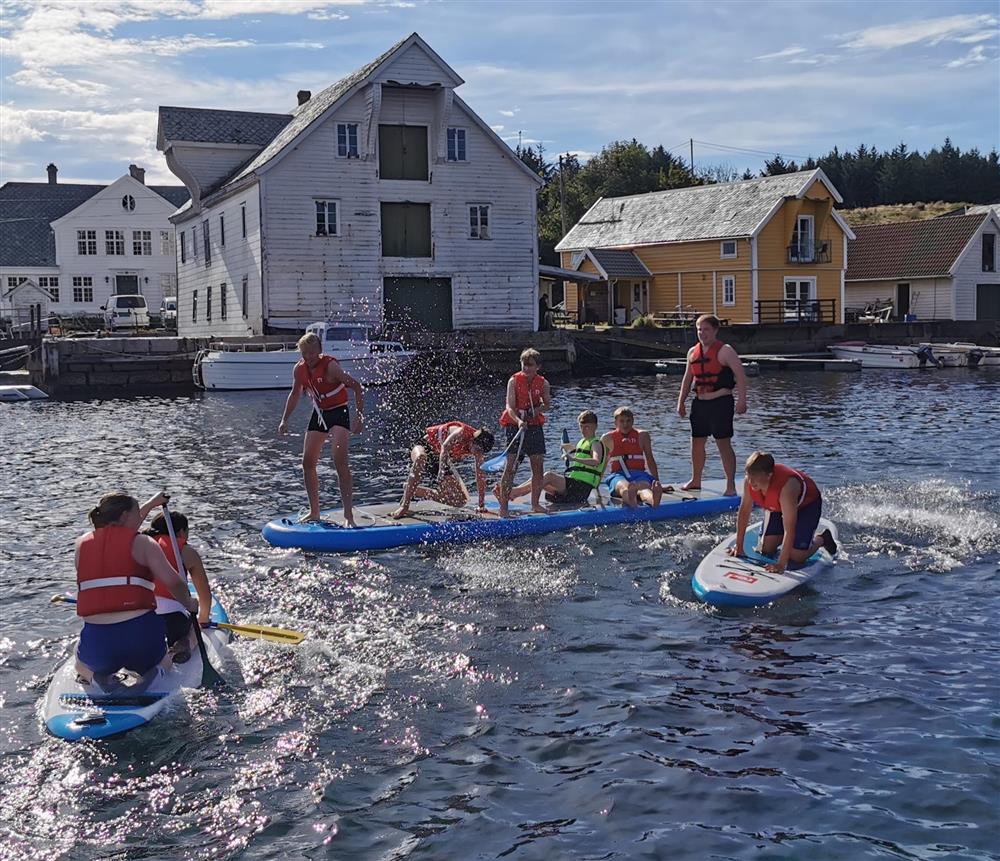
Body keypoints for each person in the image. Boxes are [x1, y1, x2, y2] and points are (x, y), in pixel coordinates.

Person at [75, 492, 198, 689]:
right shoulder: (144, 543)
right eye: (137, 513)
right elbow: (173, 583)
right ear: (125, 516)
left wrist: (152, 503)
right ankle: (153, 675)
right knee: (164, 661)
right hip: (139, 639)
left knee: (80, 664)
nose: (141, 519)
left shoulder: (81, 545)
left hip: (98, 643)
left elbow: (117, 542)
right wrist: (189, 603)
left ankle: (98, 678)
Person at [278, 332, 365, 526]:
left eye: (311, 353)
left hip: (338, 412)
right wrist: (284, 420)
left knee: (339, 462)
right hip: (320, 413)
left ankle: (348, 516)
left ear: (319, 351)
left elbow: (357, 387)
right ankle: (314, 511)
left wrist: (359, 417)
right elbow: (294, 395)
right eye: (304, 353)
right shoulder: (299, 370)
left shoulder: (331, 367)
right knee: (307, 462)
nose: (307, 357)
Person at [729, 452, 838, 573]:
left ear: (769, 475)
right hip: (778, 506)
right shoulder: (749, 482)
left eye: (754, 476)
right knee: (766, 548)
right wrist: (739, 546)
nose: (751, 481)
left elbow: (789, 528)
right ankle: (784, 540)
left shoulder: (787, 488)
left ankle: (822, 538)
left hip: (806, 506)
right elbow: (744, 511)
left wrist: (781, 563)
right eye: (749, 475)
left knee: (796, 556)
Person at [676, 314, 747, 496]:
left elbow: (740, 375)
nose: (702, 333)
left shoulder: (725, 351)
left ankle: (730, 484)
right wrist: (681, 401)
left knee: (723, 443)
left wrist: (742, 400)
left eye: (706, 329)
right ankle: (696, 479)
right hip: (700, 403)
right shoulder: (693, 352)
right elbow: (687, 378)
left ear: (715, 330)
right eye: (699, 329)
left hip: (721, 402)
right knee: (696, 442)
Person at [390, 422, 495, 519]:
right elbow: (445, 446)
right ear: (473, 440)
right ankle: (405, 506)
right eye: (477, 450)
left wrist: (481, 505)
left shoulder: (479, 450)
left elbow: (480, 476)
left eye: (480, 452)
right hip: (423, 446)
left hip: (439, 459)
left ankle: (415, 491)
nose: (477, 454)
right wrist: (441, 471)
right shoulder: (461, 432)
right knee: (421, 458)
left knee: (459, 501)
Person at [146, 511, 212, 664]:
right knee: (195, 630)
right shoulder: (187, 551)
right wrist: (204, 620)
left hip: (143, 614)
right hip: (174, 618)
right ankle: (186, 642)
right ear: (182, 532)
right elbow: (204, 593)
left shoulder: (140, 546)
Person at [495, 348, 552, 516]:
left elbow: (547, 404)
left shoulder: (544, 383)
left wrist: (536, 410)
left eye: (530, 365)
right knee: (511, 467)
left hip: (534, 425)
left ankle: (535, 504)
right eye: (524, 365)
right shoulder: (513, 381)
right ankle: (503, 508)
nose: (526, 368)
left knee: (537, 465)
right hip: (515, 425)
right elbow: (509, 407)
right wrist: (519, 421)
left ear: (538, 367)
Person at [508, 410, 605, 506]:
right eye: (581, 427)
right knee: (538, 477)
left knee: (549, 476)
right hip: (574, 486)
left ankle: (513, 493)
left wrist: (574, 459)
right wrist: (570, 449)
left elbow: (596, 461)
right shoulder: (583, 441)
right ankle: (513, 491)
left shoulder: (595, 443)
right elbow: (583, 453)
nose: (583, 430)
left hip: (581, 489)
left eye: (587, 427)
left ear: (595, 427)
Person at [600, 407, 668, 507]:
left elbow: (650, 459)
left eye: (628, 421)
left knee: (644, 489)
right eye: (621, 421)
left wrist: (657, 481)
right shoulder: (607, 438)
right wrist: (596, 483)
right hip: (618, 475)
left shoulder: (642, 436)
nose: (625, 424)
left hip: (639, 474)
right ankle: (631, 499)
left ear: (633, 421)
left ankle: (653, 500)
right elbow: (603, 463)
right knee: (623, 487)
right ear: (616, 422)